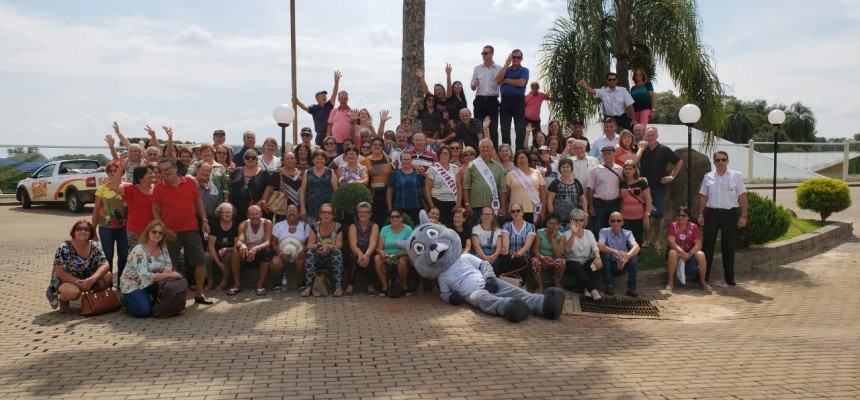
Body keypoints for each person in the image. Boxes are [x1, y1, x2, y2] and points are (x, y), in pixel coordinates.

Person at [151, 157, 213, 305]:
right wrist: (164, 230)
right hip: (171, 233)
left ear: (175, 168)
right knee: (170, 265)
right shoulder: (158, 188)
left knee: (200, 261)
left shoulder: (190, 182)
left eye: (169, 169)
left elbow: (198, 201)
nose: (167, 172)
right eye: (163, 170)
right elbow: (155, 210)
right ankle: (173, 295)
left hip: (191, 229)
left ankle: (199, 294)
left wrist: (204, 220)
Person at [697, 151, 748, 286]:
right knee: (707, 246)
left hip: (729, 214)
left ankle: (729, 277)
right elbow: (703, 196)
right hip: (712, 213)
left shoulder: (736, 176)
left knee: (729, 246)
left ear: (727, 161)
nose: (720, 162)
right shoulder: (708, 177)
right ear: (714, 162)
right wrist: (701, 214)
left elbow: (742, 196)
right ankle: (704, 277)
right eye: (717, 160)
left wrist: (743, 216)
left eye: (723, 160)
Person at [46, 220, 113, 312]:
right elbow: (60, 273)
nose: (83, 231)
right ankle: (63, 300)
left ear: (91, 232)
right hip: (68, 280)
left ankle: (91, 298)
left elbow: (105, 265)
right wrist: (78, 282)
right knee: (74, 292)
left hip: (88, 278)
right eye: (79, 229)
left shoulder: (95, 246)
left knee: (107, 276)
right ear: (74, 232)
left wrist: (92, 279)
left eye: (86, 229)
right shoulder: (64, 248)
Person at [120, 220, 182, 316]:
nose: (157, 234)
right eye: (154, 231)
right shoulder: (139, 250)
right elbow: (144, 276)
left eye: (160, 233)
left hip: (153, 282)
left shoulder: (163, 247)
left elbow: (168, 265)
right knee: (144, 312)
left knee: (170, 302)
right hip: (133, 284)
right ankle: (125, 301)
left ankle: (148, 298)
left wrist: (166, 274)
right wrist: (167, 275)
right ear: (147, 232)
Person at [640, 126, 684, 249]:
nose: (650, 137)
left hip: (659, 187)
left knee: (659, 214)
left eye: (652, 135)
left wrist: (672, 177)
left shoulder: (664, 150)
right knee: (647, 214)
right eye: (648, 135)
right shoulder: (642, 149)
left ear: (657, 136)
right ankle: (647, 239)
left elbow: (679, 162)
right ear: (645, 136)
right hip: (644, 187)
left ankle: (657, 240)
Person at [92, 160, 128, 279]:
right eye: (110, 171)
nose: (112, 173)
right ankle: (107, 281)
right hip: (106, 227)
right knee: (107, 254)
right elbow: (96, 210)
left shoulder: (126, 187)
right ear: (107, 173)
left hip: (124, 227)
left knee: (123, 255)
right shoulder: (102, 189)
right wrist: (93, 230)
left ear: (121, 172)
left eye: (115, 170)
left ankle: (121, 281)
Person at [109, 161, 156, 251]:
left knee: (153, 259)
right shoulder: (131, 189)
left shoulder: (158, 188)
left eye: (152, 172)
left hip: (155, 232)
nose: (153, 175)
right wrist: (120, 169)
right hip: (136, 232)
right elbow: (114, 186)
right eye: (149, 173)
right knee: (138, 259)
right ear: (140, 177)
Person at [231, 205, 276, 296]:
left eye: (257, 214)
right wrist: (242, 245)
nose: (254, 217)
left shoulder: (267, 223)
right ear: (247, 215)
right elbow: (240, 240)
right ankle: (237, 284)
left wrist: (256, 248)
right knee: (235, 252)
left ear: (261, 214)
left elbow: (268, 242)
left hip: (259, 252)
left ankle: (260, 285)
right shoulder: (243, 225)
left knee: (267, 252)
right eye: (252, 214)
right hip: (246, 254)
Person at [302, 203, 345, 297]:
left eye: (329, 213)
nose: (326, 215)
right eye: (324, 212)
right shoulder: (314, 226)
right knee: (309, 253)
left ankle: (339, 287)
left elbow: (339, 245)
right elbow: (309, 245)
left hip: (331, 256)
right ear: (320, 214)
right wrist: (319, 246)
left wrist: (328, 247)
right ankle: (308, 286)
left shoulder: (338, 226)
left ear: (333, 215)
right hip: (318, 255)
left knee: (337, 253)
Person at [463, 138, 508, 227]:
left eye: (488, 147)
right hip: (475, 207)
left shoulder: (498, 167)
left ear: (492, 149)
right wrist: (467, 204)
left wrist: (503, 206)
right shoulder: (471, 165)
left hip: (492, 207)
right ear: (479, 149)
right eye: (483, 147)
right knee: (474, 232)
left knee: (492, 231)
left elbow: (502, 188)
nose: (485, 149)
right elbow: (466, 186)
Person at [666, 206, 711, 291]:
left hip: (690, 253)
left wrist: (689, 254)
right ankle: (670, 281)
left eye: (683, 215)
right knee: (672, 252)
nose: (680, 217)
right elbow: (671, 242)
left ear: (688, 217)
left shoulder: (694, 227)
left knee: (701, 254)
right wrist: (682, 253)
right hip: (677, 252)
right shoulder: (672, 226)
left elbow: (698, 244)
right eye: (679, 215)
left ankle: (702, 282)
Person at [563, 209, 603, 300]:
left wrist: (597, 257)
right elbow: (568, 249)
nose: (578, 222)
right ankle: (593, 290)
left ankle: (584, 288)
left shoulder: (588, 233)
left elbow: (594, 246)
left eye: (581, 220)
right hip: (572, 263)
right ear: (571, 221)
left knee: (596, 263)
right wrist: (573, 233)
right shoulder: (566, 234)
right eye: (575, 220)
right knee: (576, 265)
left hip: (586, 264)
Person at [598, 212, 640, 297]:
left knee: (634, 258)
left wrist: (627, 257)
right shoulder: (603, 231)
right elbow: (600, 246)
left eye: (618, 220)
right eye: (613, 221)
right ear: (609, 222)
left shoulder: (628, 233)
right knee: (605, 255)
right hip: (609, 265)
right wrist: (615, 252)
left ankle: (631, 288)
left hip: (623, 264)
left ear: (622, 222)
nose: (615, 223)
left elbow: (637, 247)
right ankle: (608, 286)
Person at [295, 71, 341, 147]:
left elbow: (334, 94)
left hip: (329, 134)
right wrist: (297, 102)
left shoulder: (329, 105)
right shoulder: (314, 108)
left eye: (325, 95)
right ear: (317, 98)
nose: (324, 96)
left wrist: (336, 81)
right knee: (318, 153)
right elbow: (305, 107)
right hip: (319, 135)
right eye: (322, 95)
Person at [270, 204, 311, 291]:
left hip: (298, 255)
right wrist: (280, 254)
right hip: (282, 254)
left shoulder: (305, 226)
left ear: (298, 213)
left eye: (294, 211)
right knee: (275, 262)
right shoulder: (279, 225)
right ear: (286, 213)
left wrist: (303, 251)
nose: (291, 213)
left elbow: (309, 243)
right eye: (289, 211)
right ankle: (277, 284)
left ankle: (300, 285)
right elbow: (273, 243)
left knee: (302, 261)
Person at [375, 209, 413, 298]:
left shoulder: (408, 229)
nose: (395, 218)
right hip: (387, 256)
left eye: (397, 216)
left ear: (402, 218)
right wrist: (382, 253)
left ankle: (404, 286)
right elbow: (379, 248)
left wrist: (397, 256)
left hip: (402, 256)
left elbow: (410, 249)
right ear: (389, 219)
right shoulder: (385, 229)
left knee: (402, 261)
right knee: (377, 258)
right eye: (392, 217)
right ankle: (385, 286)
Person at [471, 45, 503, 147]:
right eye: (482, 53)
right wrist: (474, 85)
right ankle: (478, 152)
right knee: (478, 129)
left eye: (485, 53)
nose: (483, 55)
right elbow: (472, 87)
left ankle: (494, 153)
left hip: (492, 101)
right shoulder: (477, 68)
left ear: (492, 53)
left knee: (493, 129)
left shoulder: (499, 69)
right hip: (480, 100)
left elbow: (502, 85)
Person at [587, 146, 623, 237]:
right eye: (605, 154)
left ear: (613, 154)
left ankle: (612, 249)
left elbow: (623, 186)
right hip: (599, 203)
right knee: (598, 228)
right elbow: (590, 188)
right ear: (602, 156)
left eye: (609, 153)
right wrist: (591, 205)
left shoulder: (620, 170)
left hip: (614, 203)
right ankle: (599, 249)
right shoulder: (595, 170)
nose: (607, 156)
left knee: (614, 228)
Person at [346, 202, 380, 296]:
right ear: (357, 214)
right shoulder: (353, 226)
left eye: (365, 212)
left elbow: (373, 242)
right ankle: (350, 286)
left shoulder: (374, 226)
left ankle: (371, 286)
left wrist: (367, 254)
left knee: (372, 258)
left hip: (369, 251)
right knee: (352, 257)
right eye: (360, 212)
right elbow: (353, 245)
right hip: (357, 251)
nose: (363, 214)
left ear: (370, 214)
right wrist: (361, 255)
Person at [497, 49, 528, 149]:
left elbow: (521, 83)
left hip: (518, 101)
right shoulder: (506, 70)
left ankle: (519, 153)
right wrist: (506, 65)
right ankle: (507, 153)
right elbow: (498, 80)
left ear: (521, 59)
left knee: (519, 129)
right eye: (513, 57)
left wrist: (507, 80)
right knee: (505, 129)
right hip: (505, 101)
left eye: (518, 57)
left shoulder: (524, 70)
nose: (515, 59)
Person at [505, 149, 547, 224]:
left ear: (528, 160)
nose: (522, 160)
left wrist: (543, 211)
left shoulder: (537, 173)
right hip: (516, 211)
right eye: (519, 158)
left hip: (534, 210)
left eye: (524, 158)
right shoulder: (510, 174)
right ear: (516, 161)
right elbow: (505, 193)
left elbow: (543, 193)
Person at [530, 212, 566, 293]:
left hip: (554, 261)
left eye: (555, 224)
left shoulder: (561, 236)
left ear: (558, 225)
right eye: (550, 223)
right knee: (534, 261)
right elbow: (535, 250)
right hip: (542, 259)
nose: (552, 226)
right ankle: (539, 285)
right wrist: (542, 258)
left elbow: (559, 254)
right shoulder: (540, 232)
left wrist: (553, 238)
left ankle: (557, 282)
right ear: (546, 223)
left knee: (561, 261)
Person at [547, 158, 587, 232]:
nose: (565, 169)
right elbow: (550, 200)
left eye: (567, 166)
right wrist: (552, 217)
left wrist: (585, 214)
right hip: (559, 221)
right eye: (563, 167)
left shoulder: (576, 182)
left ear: (571, 168)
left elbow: (583, 199)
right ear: (560, 169)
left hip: (574, 220)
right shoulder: (555, 183)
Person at [261, 151, 302, 220]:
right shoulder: (277, 174)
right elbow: (269, 188)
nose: (290, 160)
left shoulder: (302, 173)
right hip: (282, 208)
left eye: (292, 158)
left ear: (296, 160)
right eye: (287, 158)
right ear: (283, 161)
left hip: (299, 208)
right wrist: (264, 201)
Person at [619, 159, 653, 244]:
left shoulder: (641, 182)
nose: (628, 171)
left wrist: (646, 215)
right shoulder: (622, 183)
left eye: (630, 169)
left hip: (639, 216)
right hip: (625, 216)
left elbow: (648, 200)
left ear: (635, 170)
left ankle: (636, 256)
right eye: (626, 169)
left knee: (637, 239)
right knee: (626, 240)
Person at [229, 151, 269, 222]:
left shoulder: (264, 174)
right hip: (236, 208)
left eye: (253, 158)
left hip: (255, 210)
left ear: (257, 160)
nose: (250, 159)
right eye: (247, 157)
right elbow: (228, 185)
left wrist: (263, 199)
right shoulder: (237, 171)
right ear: (244, 160)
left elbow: (270, 188)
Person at [206, 202, 238, 292]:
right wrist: (219, 264)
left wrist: (228, 249)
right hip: (215, 251)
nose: (227, 214)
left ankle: (225, 279)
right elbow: (211, 246)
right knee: (206, 256)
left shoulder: (236, 226)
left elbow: (236, 246)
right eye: (225, 212)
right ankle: (210, 280)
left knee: (228, 255)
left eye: (230, 212)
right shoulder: (214, 225)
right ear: (220, 214)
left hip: (229, 251)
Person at [300, 150, 338, 223]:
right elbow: (302, 192)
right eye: (317, 158)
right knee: (312, 231)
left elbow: (336, 191)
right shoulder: (307, 172)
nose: (319, 161)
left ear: (325, 160)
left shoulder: (331, 172)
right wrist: (302, 208)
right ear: (313, 160)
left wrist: (335, 208)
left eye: (322, 159)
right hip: (311, 208)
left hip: (327, 209)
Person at [362, 137, 394, 227]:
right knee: (374, 220)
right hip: (373, 196)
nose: (377, 146)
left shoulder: (387, 159)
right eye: (375, 145)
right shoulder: (365, 161)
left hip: (387, 194)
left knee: (386, 219)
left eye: (379, 145)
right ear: (371, 147)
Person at [499, 204, 536, 278]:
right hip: (510, 254)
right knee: (504, 257)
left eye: (518, 211)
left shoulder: (530, 227)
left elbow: (527, 246)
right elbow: (506, 242)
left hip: (524, 255)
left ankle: (522, 283)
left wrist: (519, 253)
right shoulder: (506, 226)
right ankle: (507, 281)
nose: (516, 213)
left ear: (523, 212)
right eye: (513, 211)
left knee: (520, 260)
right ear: (510, 214)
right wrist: (506, 251)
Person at [387, 152, 425, 224]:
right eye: (404, 159)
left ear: (411, 160)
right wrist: (389, 206)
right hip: (400, 208)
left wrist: (425, 202)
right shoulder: (395, 174)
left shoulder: (418, 173)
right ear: (401, 160)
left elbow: (423, 189)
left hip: (416, 207)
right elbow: (389, 191)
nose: (406, 161)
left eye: (408, 159)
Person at [424, 145, 458, 225]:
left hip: (452, 202)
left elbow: (459, 187)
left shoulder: (455, 168)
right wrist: (432, 205)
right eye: (442, 153)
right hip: (437, 201)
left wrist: (458, 202)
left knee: (450, 226)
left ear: (450, 156)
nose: (444, 155)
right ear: (439, 155)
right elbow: (427, 189)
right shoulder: (433, 169)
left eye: (446, 154)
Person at [471, 206, 503, 273]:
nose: (487, 216)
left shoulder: (498, 230)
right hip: (480, 255)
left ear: (492, 216)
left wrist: (494, 256)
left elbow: (499, 246)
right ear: (481, 216)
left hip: (493, 256)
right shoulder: (475, 229)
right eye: (485, 214)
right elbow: (476, 246)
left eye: (489, 214)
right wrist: (485, 257)